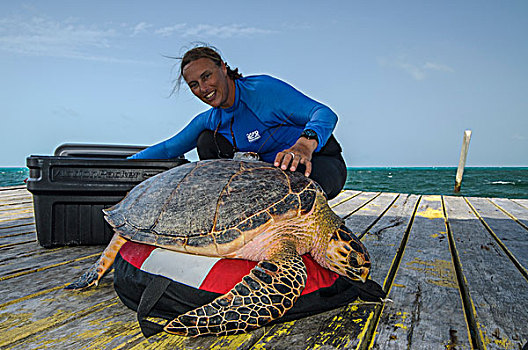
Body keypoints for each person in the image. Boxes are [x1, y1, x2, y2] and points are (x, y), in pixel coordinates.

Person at [129, 46, 347, 200]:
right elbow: (168, 148)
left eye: (207, 77)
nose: (203, 89)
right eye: (194, 84)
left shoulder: (262, 91)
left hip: (318, 162)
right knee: (206, 140)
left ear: (223, 68)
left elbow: (324, 113)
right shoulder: (212, 119)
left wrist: (303, 145)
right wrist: (124, 164)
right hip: (273, 178)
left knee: (299, 193)